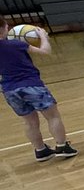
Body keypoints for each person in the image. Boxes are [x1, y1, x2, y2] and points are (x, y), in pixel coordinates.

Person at [0, 19, 77, 162]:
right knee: (52, 116)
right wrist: (43, 37)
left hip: (9, 89)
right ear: (4, 28)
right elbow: (45, 51)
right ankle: (62, 146)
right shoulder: (16, 44)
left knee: (30, 122)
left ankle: (41, 150)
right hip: (31, 85)